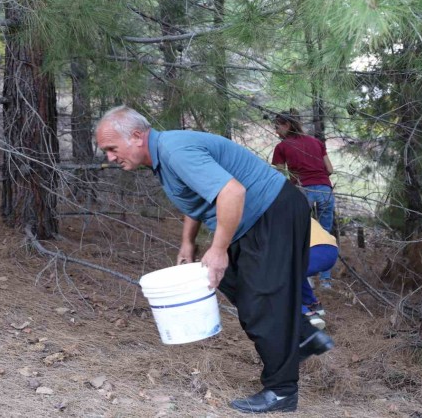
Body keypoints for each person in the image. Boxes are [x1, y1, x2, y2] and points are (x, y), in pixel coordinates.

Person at [95, 106, 333, 414]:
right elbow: (198, 197)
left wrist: (218, 249)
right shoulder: (164, 156)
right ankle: (304, 336)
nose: (110, 158)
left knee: (262, 302)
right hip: (259, 218)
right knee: (240, 289)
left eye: (112, 149)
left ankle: (282, 390)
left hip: (271, 212)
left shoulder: (175, 150)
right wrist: (187, 243)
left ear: (138, 137)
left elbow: (231, 193)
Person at [272, 109, 336, 288]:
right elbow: (330, 169)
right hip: (325, 189)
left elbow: (279, 175)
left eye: (278, 127)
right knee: (325, 233)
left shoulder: (282, 147)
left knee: (301, 233)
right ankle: (325, 280)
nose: (276, 131)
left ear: (287, 125)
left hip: (302, 190)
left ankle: (306, 275)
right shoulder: (316, 142)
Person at [302, 218, 338, 330]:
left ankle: (306, 315)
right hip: (331, 250)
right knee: (296, 274)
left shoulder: (275, 215)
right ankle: (313, 305)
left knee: (282, 277)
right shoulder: (298, 209)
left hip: (312, 251)